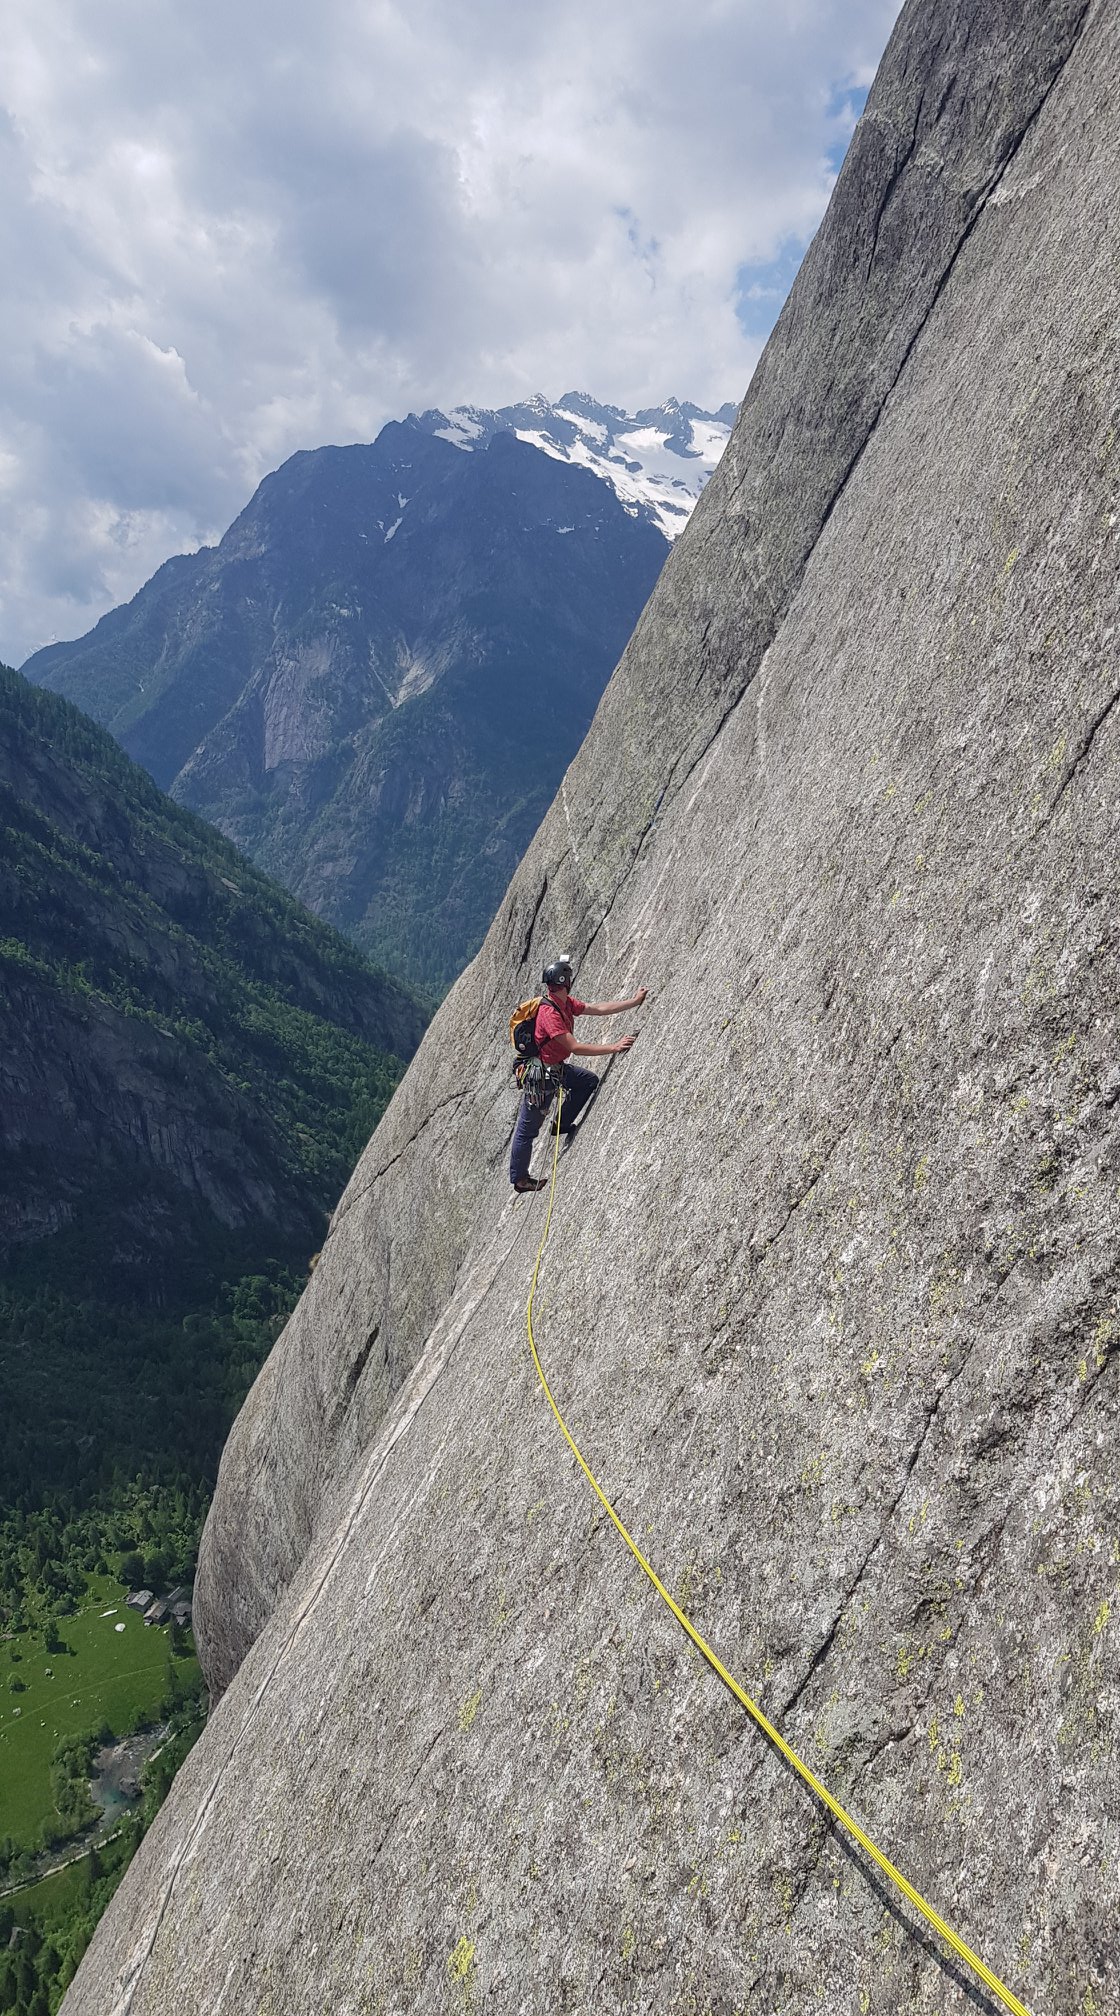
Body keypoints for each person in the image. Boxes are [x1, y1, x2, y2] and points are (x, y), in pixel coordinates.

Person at [510, 953, 647, 1192]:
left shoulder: (563, 1003)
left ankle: (560, 1125)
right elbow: (574, 1047)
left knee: (587, 1081)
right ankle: (520, 1180)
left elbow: (597, 1008)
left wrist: (633, 1002)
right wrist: (613, 1047)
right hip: (541, 1079)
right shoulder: (550, 1014)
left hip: (556, 1069)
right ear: (565, 981)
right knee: (527, 1130)